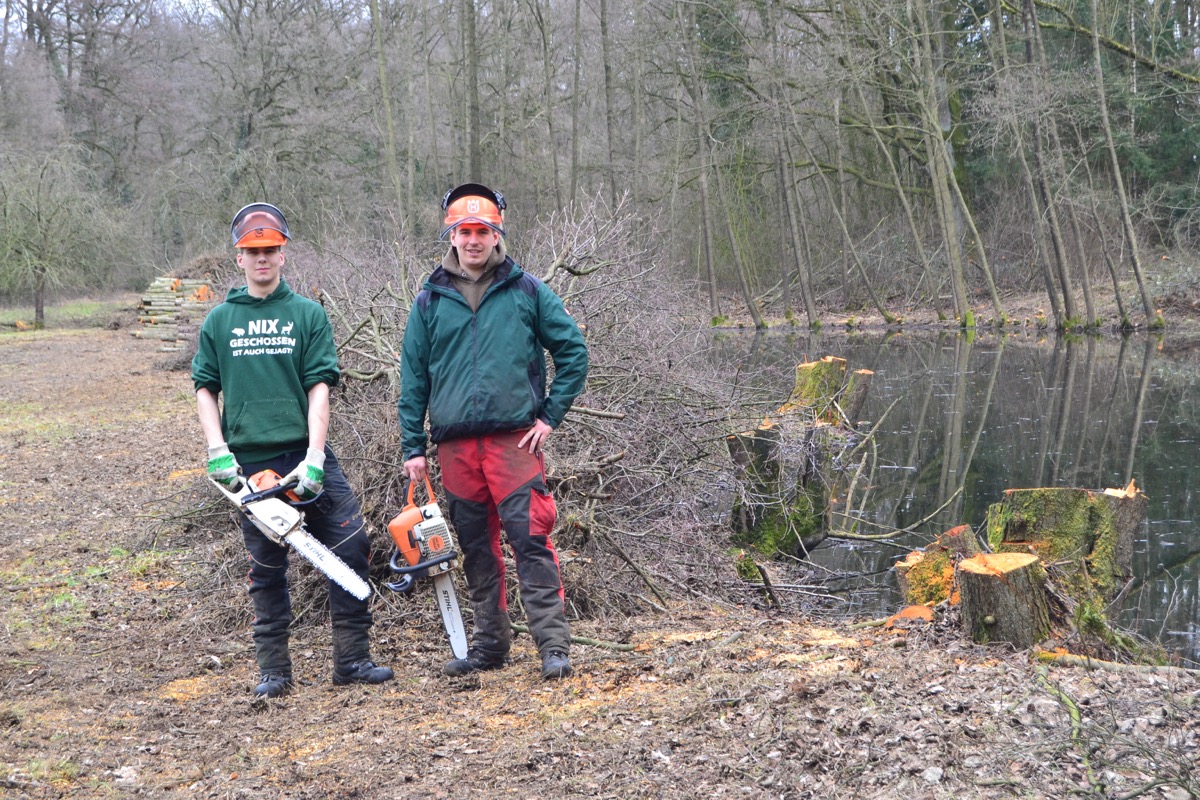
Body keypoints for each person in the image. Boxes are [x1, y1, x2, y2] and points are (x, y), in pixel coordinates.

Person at [192, 202, 393, 698]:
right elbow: (204, 387)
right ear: (239, 257)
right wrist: (218, 452)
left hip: (303, 452)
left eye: (271, 250)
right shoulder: (219, 321)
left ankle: (352, 660)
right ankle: (274, 671)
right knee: (265, 567)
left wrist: (317, 457)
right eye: (253, 251)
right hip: (249, 462)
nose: (263, 258)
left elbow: (319, 386)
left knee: (349, 545)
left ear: (284, 253)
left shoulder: (307, 314)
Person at [398, 183, 588, 680]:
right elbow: (413, 378)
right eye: (465, 231)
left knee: (531, 540)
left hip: (515, 443)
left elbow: (573, 354)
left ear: (496, 233)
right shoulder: (429, 300)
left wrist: (550, 415)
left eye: (483, 231)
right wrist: (412, 446)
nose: (474, 240)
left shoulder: (527, 290)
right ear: (452, 235)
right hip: (456, 446)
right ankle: (490, 646)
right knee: (476, 549)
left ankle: (553, 647)